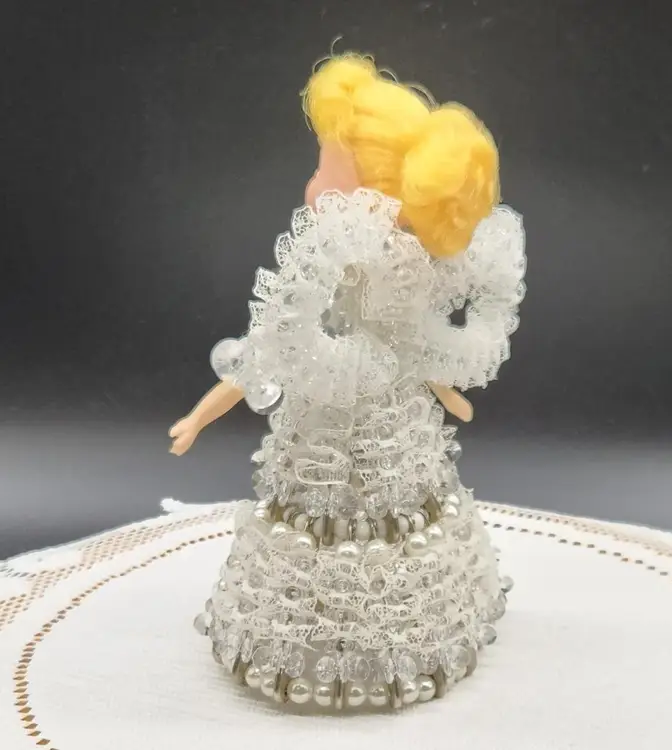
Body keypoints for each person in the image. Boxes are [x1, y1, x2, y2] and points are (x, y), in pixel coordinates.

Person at [171, 52, 526, 711]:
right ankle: (320, 642)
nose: (311, 188)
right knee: (320, 529)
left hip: (387, 428)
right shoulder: (330, 287)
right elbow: (267, 358)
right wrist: (199, 416)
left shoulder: (402, 288)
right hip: (332, 423)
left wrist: (446, 388)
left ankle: (391, 647)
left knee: (390, 528)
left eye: (324, 172)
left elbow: (412, 349)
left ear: (380, 198)